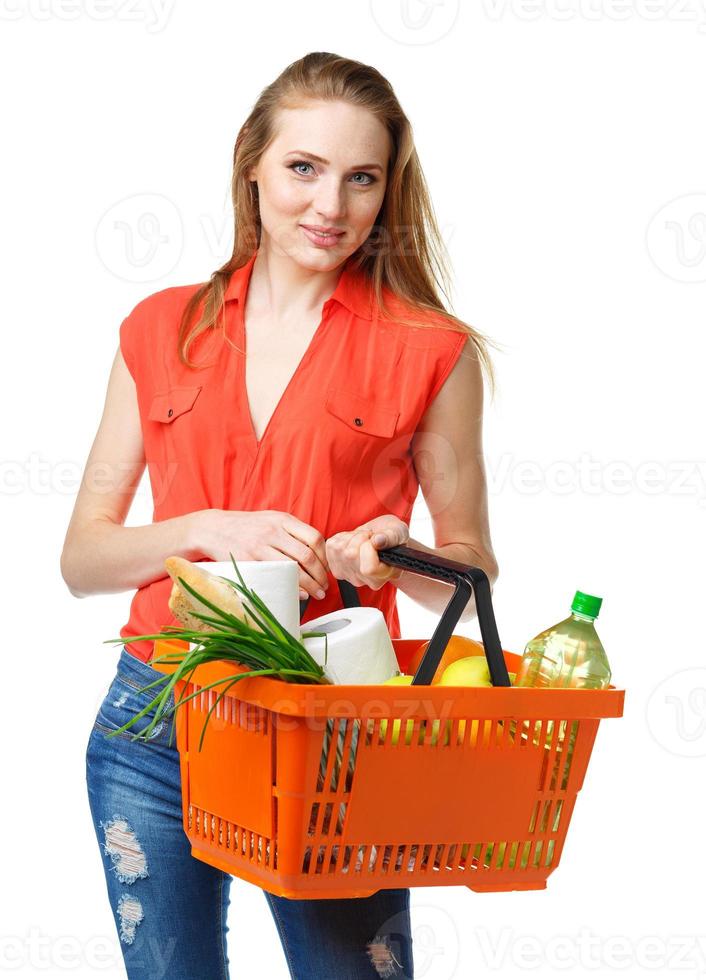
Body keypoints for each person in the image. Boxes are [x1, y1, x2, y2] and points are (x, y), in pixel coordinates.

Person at [61, 51, 500, 980]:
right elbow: (84, 558)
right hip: (155, 724)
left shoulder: (432, 351)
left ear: (388, 190)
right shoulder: (159, 328)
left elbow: (471, 571)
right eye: (303, 168)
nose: (329, 206)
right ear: (250, 164)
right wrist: (206, 527)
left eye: (361, 178)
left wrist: (397, 554)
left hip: (336, 731)